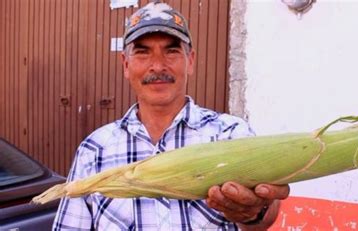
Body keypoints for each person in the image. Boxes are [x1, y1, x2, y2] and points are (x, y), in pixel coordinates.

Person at [53, 1, 289, 230]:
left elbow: (263, 218)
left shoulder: (231, 134)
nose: (157, 65)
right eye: (143, 53)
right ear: (126, 65)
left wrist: (254, 213)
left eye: (172, 51)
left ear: (191, 61)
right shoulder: (94, 151)